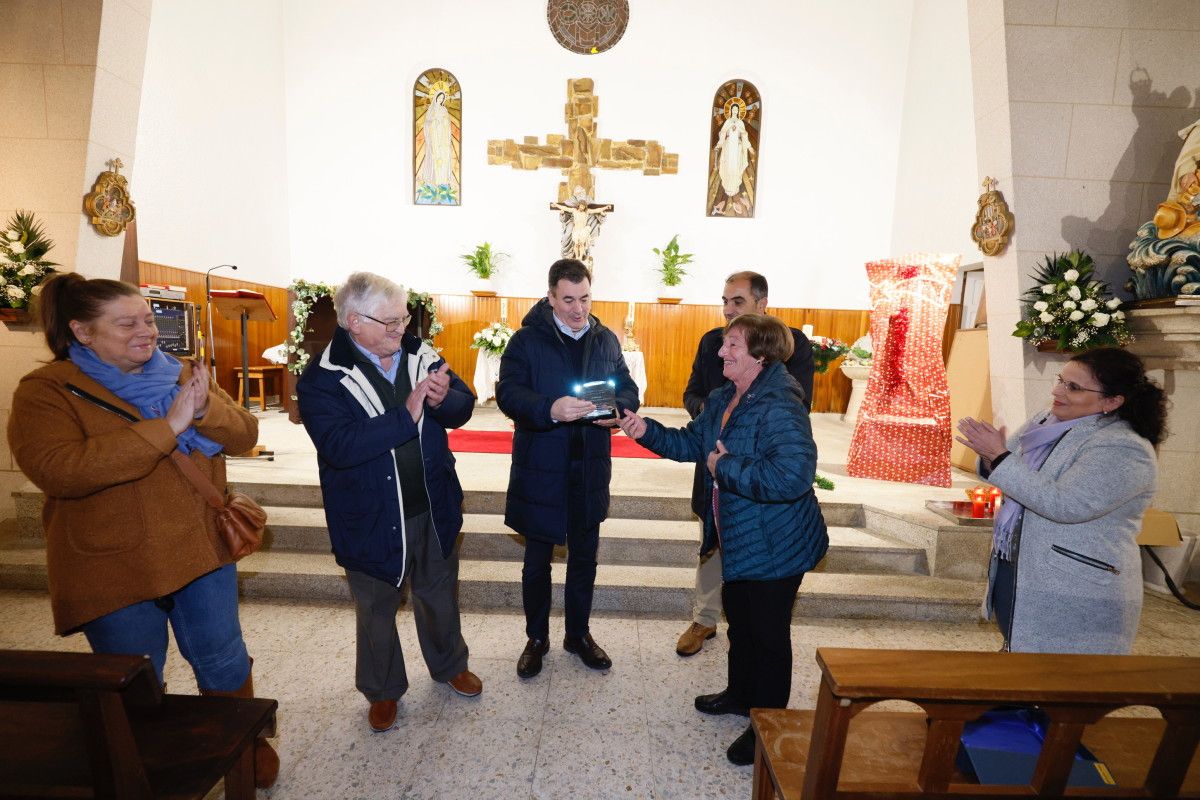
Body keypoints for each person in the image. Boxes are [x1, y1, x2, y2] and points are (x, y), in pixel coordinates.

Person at [6, 273, 279, 787]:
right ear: (83, 332)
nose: (147, 332)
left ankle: (247, 740)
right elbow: (60, 469)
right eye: (127, 323)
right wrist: (168, 427)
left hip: (200, 546)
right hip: (113, 562)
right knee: (133, 674)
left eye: (149, 319)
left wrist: (203, 409)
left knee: (223, 656)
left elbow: (245, 433)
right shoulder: (46, 392)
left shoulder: (180, 373)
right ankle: (143, 759)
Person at [619, 313, 828, 766]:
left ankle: (766, 728)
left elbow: (793, 476)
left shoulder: (780, 403)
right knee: (742, 625)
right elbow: (691, 443)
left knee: (768, 636)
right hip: (739, 537)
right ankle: (739, 695)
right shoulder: (725, 397)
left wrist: (724, 468)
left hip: (778, 543)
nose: (721, 352)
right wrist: (642, 429)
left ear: (761, 354)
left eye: (732, 345)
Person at [295, 271, 480, 733]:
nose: (403, 330)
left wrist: (444, 399)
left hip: (432, 504)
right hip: (371, 517)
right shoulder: (322, 378)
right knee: (376, 605)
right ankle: (382, 690)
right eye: (391, 322)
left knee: (438, 590)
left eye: (404, 319)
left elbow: (464, 403)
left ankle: (449, 664)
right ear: (354, 321)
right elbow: (340, 445)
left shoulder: (418, 351)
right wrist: (409, 413)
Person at [956, 348, 1167, 654]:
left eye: (1074, 388)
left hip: (1074, 587)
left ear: (1112, 401)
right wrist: (993, 458)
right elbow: (1007, 470)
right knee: (1021, 666)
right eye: (1061, 381)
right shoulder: (1046, 420)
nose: (1057, 391)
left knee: (1060, 682)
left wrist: (999, 456)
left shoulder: (1123, 448)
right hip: (1021, 567)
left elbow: (1065, 504)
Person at [497, 258, 639, 679]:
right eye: (569, 300)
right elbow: (507, 393)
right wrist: (550, 408)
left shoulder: (606, 339)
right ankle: (535, 638)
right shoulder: (526, 341)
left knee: (584, 559)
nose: (579, 309)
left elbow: (626, 385)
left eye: (585, 298)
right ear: (551, 298)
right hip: (541, 467)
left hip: (589, 468)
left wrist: (620, 410)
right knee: (537, 561)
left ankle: (578, 634)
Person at [676, 271, 815, 657]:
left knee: (760, 611)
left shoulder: (793, 344)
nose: (727, 309)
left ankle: (754, 643)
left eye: (736, 302)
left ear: (761, 305)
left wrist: (736, 418)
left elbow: (797, 404)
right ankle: (704, 619)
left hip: (761, 474)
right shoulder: (711, 342)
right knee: (713, 542)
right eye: (724, 301)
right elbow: (692, 394)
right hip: (715, 465)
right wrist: (712, 414)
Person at [714, 101, 753, 199]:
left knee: (736, 166)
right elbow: (722, 133)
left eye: (736, 109)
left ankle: (734, 186)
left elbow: (744, 135)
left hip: (737, 147)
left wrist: (749, 146)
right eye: (733, 109)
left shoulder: (740, 122)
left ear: (738, 111)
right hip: (728, 146)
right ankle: (728, 186)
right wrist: (719, 144)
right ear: (731, 110)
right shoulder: (728, 121)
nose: (735, 110)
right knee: (728, 166)